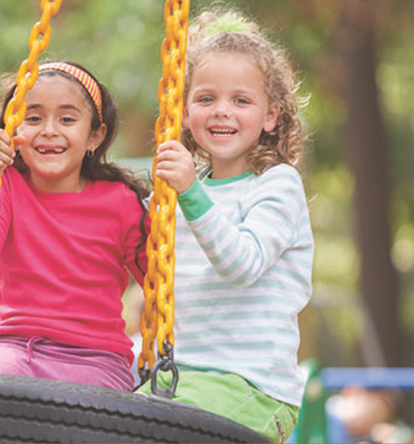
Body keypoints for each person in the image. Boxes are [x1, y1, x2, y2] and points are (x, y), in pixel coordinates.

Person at [136, 10, 314, 444]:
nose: (221, 112)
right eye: (206, 98)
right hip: (182, 379)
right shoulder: (178, 191)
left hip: (253, 386)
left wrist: (191, 193)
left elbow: (243, 264)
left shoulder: (277, 186)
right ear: (184, 110)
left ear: (271, 116)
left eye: (241, 101)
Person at [0, 60, 150, 392]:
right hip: (15, 349)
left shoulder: (120, 201)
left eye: (67, 119)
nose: (48, 130)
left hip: (96, 358)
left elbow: (158, 280)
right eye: (33, 118)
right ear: (13, 132)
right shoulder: (6, 186)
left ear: (94, 136)